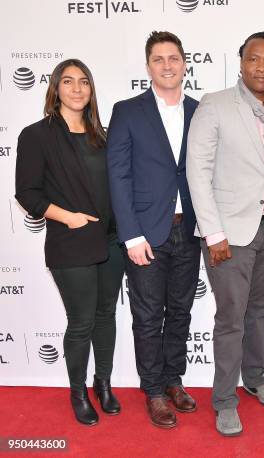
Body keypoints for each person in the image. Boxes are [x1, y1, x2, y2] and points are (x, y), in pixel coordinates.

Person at [186, 32, 264, 437]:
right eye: (254, 59)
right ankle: (225, 399)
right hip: (228, 234)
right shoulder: (214, 105)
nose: (261, 67)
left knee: (260, 313)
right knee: (230, 319)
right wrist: (213, 233)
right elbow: (197, 171)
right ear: (241, 62)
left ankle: (254, 376)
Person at [15, 59, 124, 426]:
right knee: (80, 323)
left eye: (84, 82)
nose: (77, 89)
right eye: (68, 81)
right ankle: (77, 392)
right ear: (55, 89)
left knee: (106, 314)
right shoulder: (37, 135)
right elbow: (27, 193)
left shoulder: (102, 134)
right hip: (71, 242)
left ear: (91, 90)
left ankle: (103, 384)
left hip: (111, 242)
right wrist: (69, 217)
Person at [106, 31, 200, 429]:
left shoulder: (200, 111)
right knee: (147, 316)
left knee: (180, 311)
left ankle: (174, 379)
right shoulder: (128, 111)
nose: (167, 65)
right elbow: (118, 175)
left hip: (189, 230)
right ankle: (154, 391)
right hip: (145, 234)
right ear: (148, 67)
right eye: (159, 59)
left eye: (174, 58)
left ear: (184, 64)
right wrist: (131, 235)